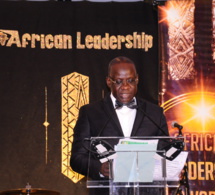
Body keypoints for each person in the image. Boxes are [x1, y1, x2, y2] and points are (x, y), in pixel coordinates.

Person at [70, 56, 169, 195]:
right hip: (106, 190)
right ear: (108, 81)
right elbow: (76, 159)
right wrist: (99, 167)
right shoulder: (90, 113)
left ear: (137, 80)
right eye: (118, 81)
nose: (125, 86)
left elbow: (165, 152)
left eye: (130, 80)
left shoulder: (155, 113)